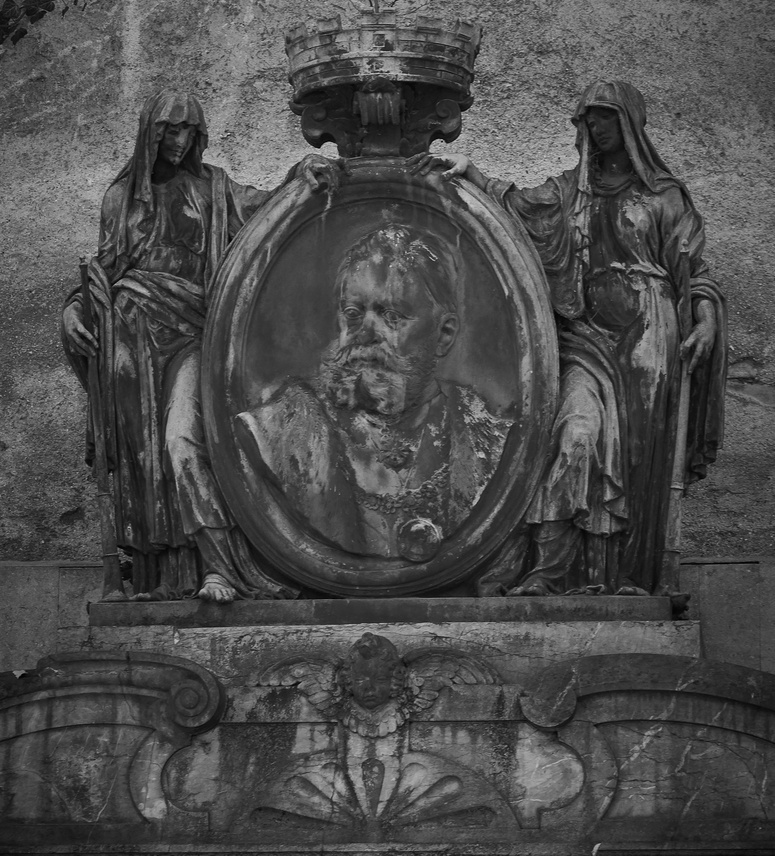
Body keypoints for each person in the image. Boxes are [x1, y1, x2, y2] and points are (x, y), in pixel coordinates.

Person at [413, 79, 727, 596]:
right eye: (589, 120)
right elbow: (521, 210)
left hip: (649, 336)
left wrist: (706, 316)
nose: (595, 129)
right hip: (584, 334)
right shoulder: (568, 193)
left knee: (639, 456)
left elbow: (696, 268)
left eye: (605, 118)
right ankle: (551, 571)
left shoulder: (663, 197)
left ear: (630, 124)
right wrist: (475, 176)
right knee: (576, 431)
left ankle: (628, 579)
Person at [62, 88, 338, 602]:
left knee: (181, 441)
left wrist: (301, 174)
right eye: (168, 129)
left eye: (187, 130)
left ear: (198, 136)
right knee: (146, 460)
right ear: (150, 133)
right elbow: (102, 271)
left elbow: (263, 209)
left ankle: (218, 566)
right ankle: (167, 577)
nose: (177, 139)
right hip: (131, 338)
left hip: (193, 334)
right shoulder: (120, 199)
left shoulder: (214, 189)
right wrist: (72, 311)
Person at [235, 225, 514, 561]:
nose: (365, 333)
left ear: (444, 334)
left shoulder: (492, 439)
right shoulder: (274, 433)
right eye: (352, 314)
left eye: (391, 316)